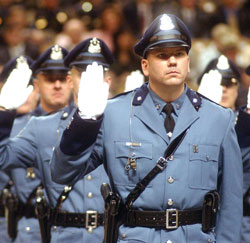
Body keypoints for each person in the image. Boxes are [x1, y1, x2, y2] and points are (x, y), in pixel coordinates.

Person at [51, 14, 242, 242]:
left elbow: (231, 202)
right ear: (145, 65)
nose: (172, 61)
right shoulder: (114, 114)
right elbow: (63, 173)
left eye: (179, 54)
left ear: (188, 63)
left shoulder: (218, 118)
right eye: (162, 55)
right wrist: (84, 122)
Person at [0, 37, 113, 243]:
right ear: (72, 80)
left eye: (98, 74)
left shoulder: (125, 123)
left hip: (111, 234)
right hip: (63, 234)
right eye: (84, 74)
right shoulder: (41, 127)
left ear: (109, 81)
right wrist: (3, 113)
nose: (91, 81)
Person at [0, 45, 72, 242]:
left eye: (62, 78)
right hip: (31, 227)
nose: (57, 85)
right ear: (37, 84)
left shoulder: (87, 124)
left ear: (71, 81)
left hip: (75, 228)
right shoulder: (19, 127)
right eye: (50, 79)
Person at [197, 55, 250, 243]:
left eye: (229, 83)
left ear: (238, 88)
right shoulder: (193, 125)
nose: (224, 89)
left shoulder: (246, 124)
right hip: (201, 223)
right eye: (219, 84)